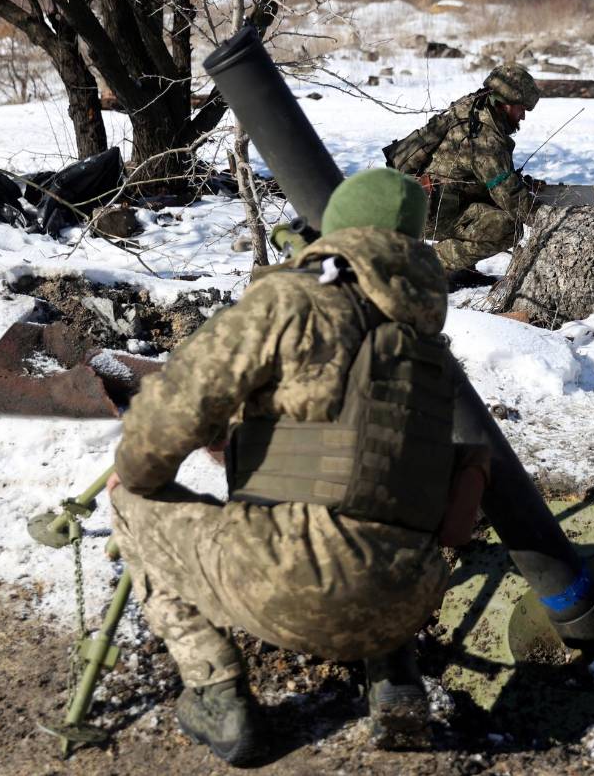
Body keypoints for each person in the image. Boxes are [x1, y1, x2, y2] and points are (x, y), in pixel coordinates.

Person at [106, 168, 489, 765]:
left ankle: (215, 693)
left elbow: (171, 412)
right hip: (407, 603)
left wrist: (135, 477)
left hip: (290, 589)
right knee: (369, 504)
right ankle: (393, 677)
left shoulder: (294, 300)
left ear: (335, 230)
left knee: (131, 502)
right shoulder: (425, 345)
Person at [384, 64, 542, 284]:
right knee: (508, 227)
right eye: (520, 108)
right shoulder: (484, 138)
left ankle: (461, 270)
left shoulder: (472, 106)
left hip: (418, 201)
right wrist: (546, 219)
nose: (522, 116)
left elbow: (481, 178)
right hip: (430, 211)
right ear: (505, 103)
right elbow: (510, 196)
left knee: (485, 203)